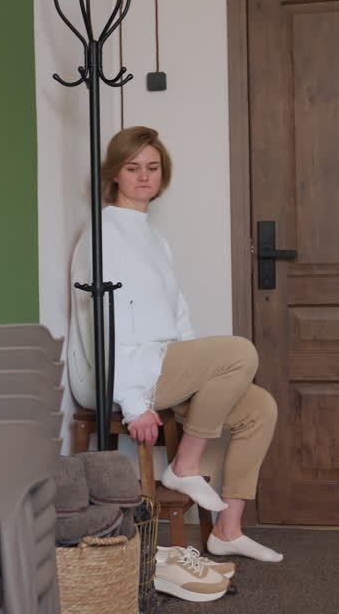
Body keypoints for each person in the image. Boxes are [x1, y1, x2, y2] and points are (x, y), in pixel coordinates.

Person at [66, 126, 283, 562]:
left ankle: (228, 529)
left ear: (162, 176)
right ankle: (185, 466)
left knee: (260, 407)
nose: (144, 177)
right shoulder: (104, 231)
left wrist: (205, 373)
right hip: (119, 372)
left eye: (152, 168)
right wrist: (130, 400)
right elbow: (100, 322)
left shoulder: (152, 236)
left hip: (161, 364)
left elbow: (176, 312)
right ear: (115, 175)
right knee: (241, 350)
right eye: (133, 168)